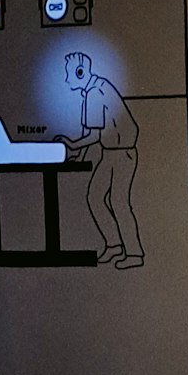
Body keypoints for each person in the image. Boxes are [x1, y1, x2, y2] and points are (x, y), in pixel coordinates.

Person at [61, 52, 143, 268]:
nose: (66, 79)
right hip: (111, 152)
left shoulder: (96, 93)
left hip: (122, 153)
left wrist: (71, 145)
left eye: (68, 74)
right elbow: (95, 133)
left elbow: (93, 136)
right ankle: (114, 245)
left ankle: (134, 254)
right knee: (95, 197)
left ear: (80, 73)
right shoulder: (94, 90)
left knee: (119, 202)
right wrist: (78, 155)